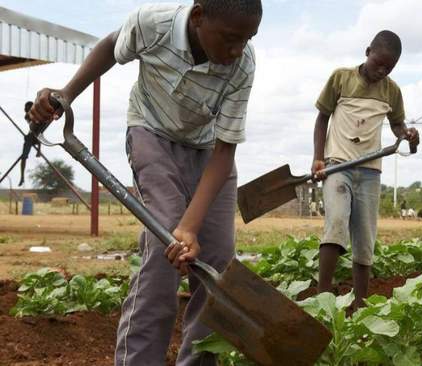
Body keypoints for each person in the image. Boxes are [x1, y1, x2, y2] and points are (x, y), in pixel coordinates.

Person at [28, 1, 262, 365]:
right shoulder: (155, 24)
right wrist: (68, 93)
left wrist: (192, 225)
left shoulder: (243, 64)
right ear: (198, 17)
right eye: (230, 38)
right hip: (152, 134)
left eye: (247, 39)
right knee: (165, 241)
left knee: (217, 260)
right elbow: (111, 46)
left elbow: (224, 152)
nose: (237, 50)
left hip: (209, 153)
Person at [311, 30, 419, 309]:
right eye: (378, 63)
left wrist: (406, 133)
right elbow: (322, 117)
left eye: (389, 67)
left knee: (365, 238)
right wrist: (318, 158)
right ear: (367, 51)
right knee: (336, 222)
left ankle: (359, 306)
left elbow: (397, 123)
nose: (381, 71)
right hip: (338, 165)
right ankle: (323, 299)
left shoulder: (391, 91)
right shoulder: (341, 78)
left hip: (370, 171)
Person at [19, 101, 41, 186]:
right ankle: (22, 177)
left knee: (34, 134)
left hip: (35, 137)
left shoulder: (37, 115)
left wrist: (39, 150)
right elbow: (31, 126)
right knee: (23, 158)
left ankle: (22, 177)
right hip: (30, 137)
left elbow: (39, 133)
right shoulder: (28, 116)